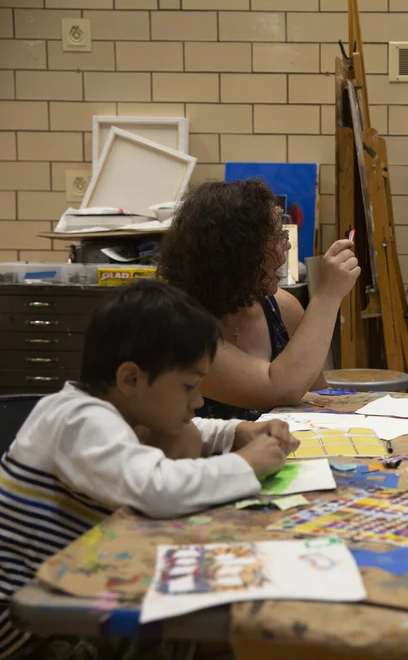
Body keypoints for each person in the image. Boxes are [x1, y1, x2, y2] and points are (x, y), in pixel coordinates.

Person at [0, 281, 295, 659]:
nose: (199, 400)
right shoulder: (79, 421)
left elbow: (183, 427)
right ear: (131, 379)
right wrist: (245, 464)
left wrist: (239, 431)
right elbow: (157, 487)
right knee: (229, 637)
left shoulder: (105, 410)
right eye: (189, 386)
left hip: (57, 603)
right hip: (26, 633)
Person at [157, 179, 361, 421]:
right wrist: (327, 295)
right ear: (237, 252)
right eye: (276, 237)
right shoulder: (181, 329)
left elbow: (315, 399)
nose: (286, 246)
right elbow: (279, 389)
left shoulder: (282, 308)